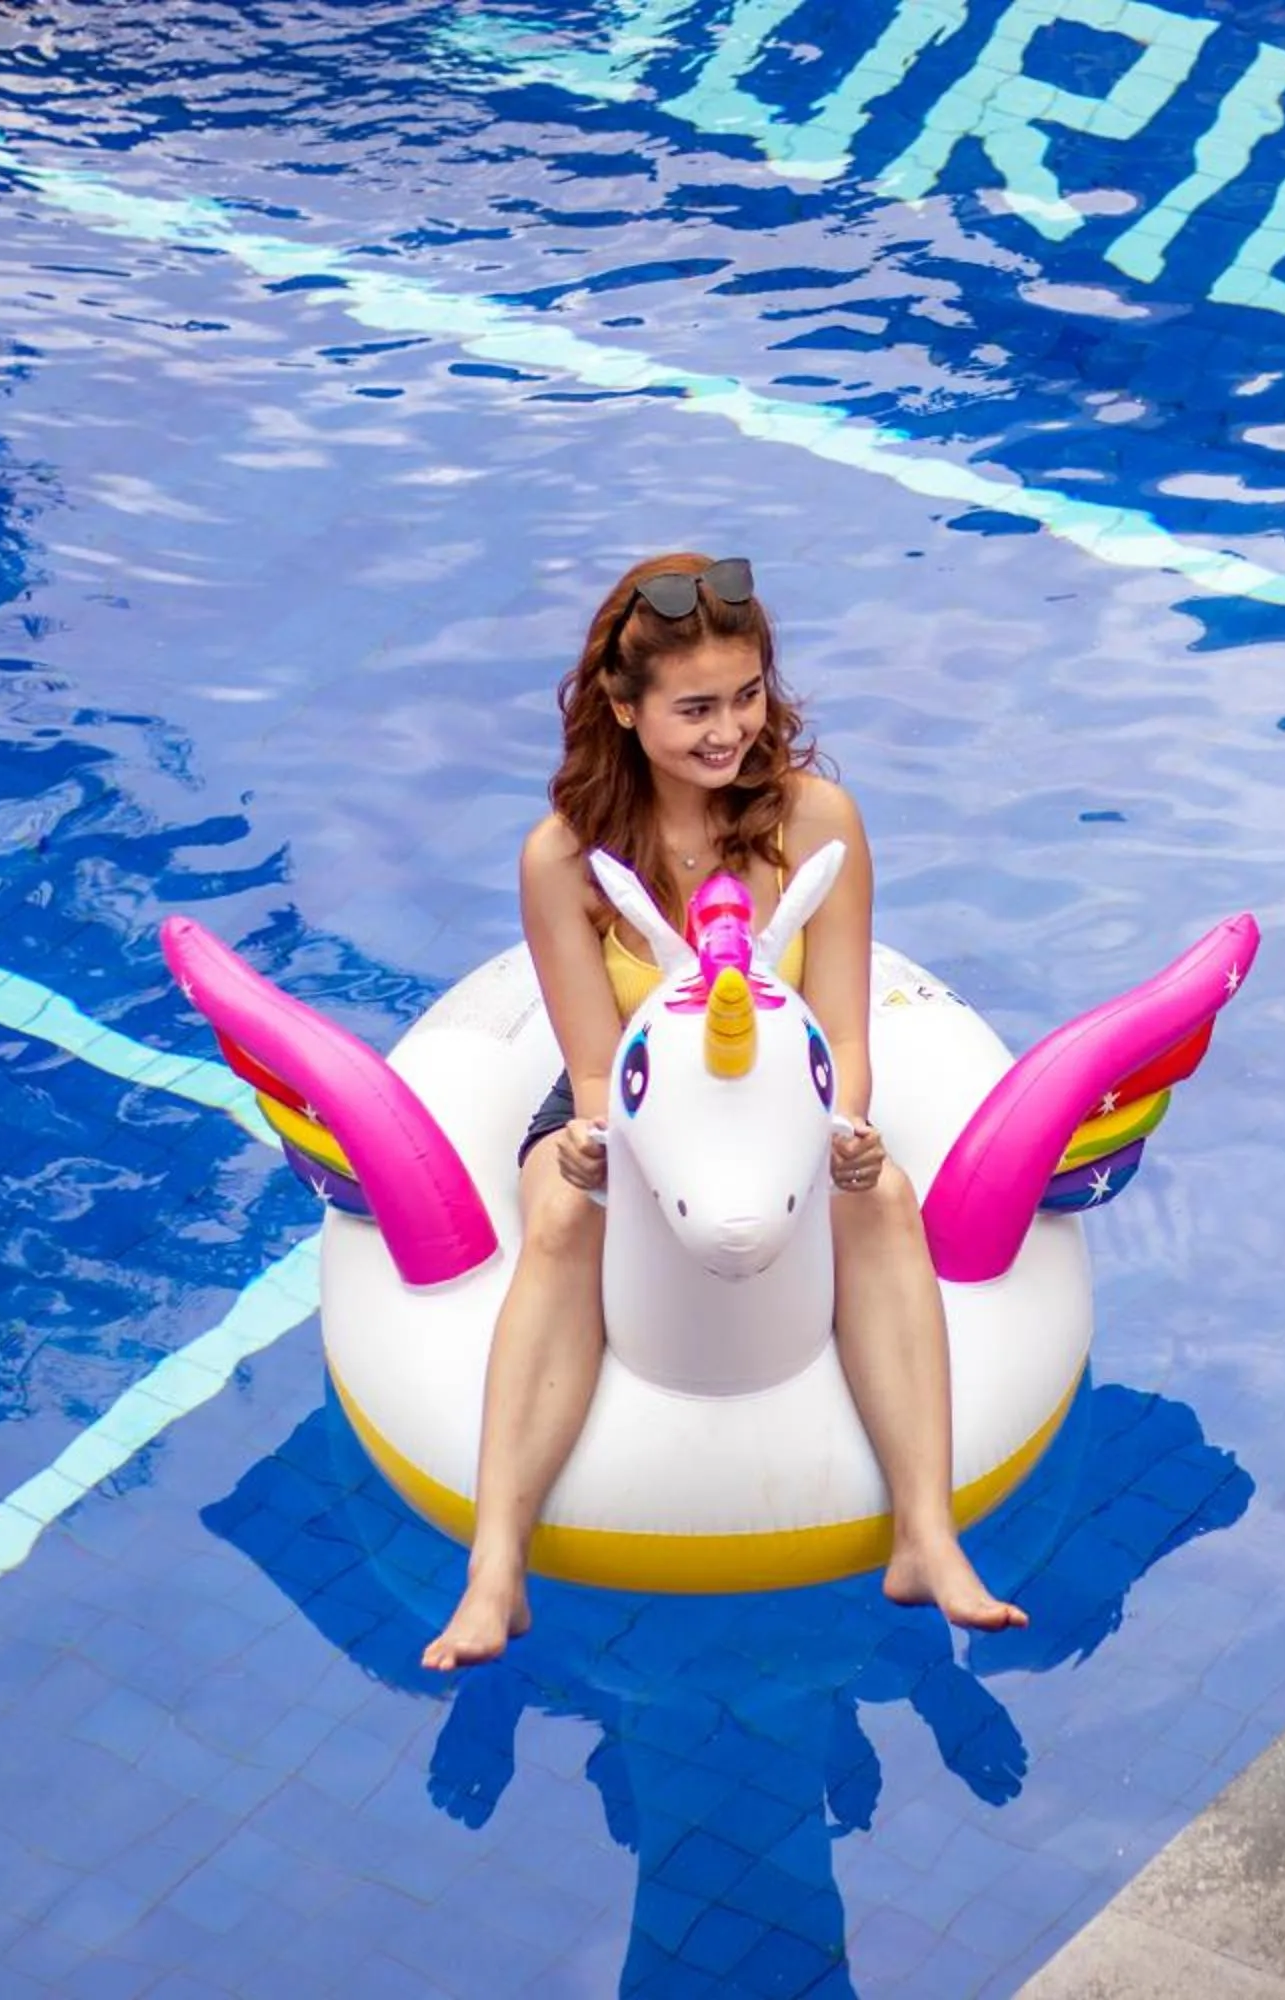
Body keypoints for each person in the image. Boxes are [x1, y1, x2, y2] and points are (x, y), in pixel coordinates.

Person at [422, 553, 1026, 1671]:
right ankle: (495, 1567)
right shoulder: (566, 859)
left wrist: (837, 1133)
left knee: (881, 1195)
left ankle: (924, 1536)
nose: (729, 731)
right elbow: (595, 1067)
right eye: (695, 707)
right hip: (631, 1095)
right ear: (622, 705)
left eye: (745, 696)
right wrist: (612, 1153)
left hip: (785, 1088)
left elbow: (842, 1036)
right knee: (560, 1214)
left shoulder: (815, 819)